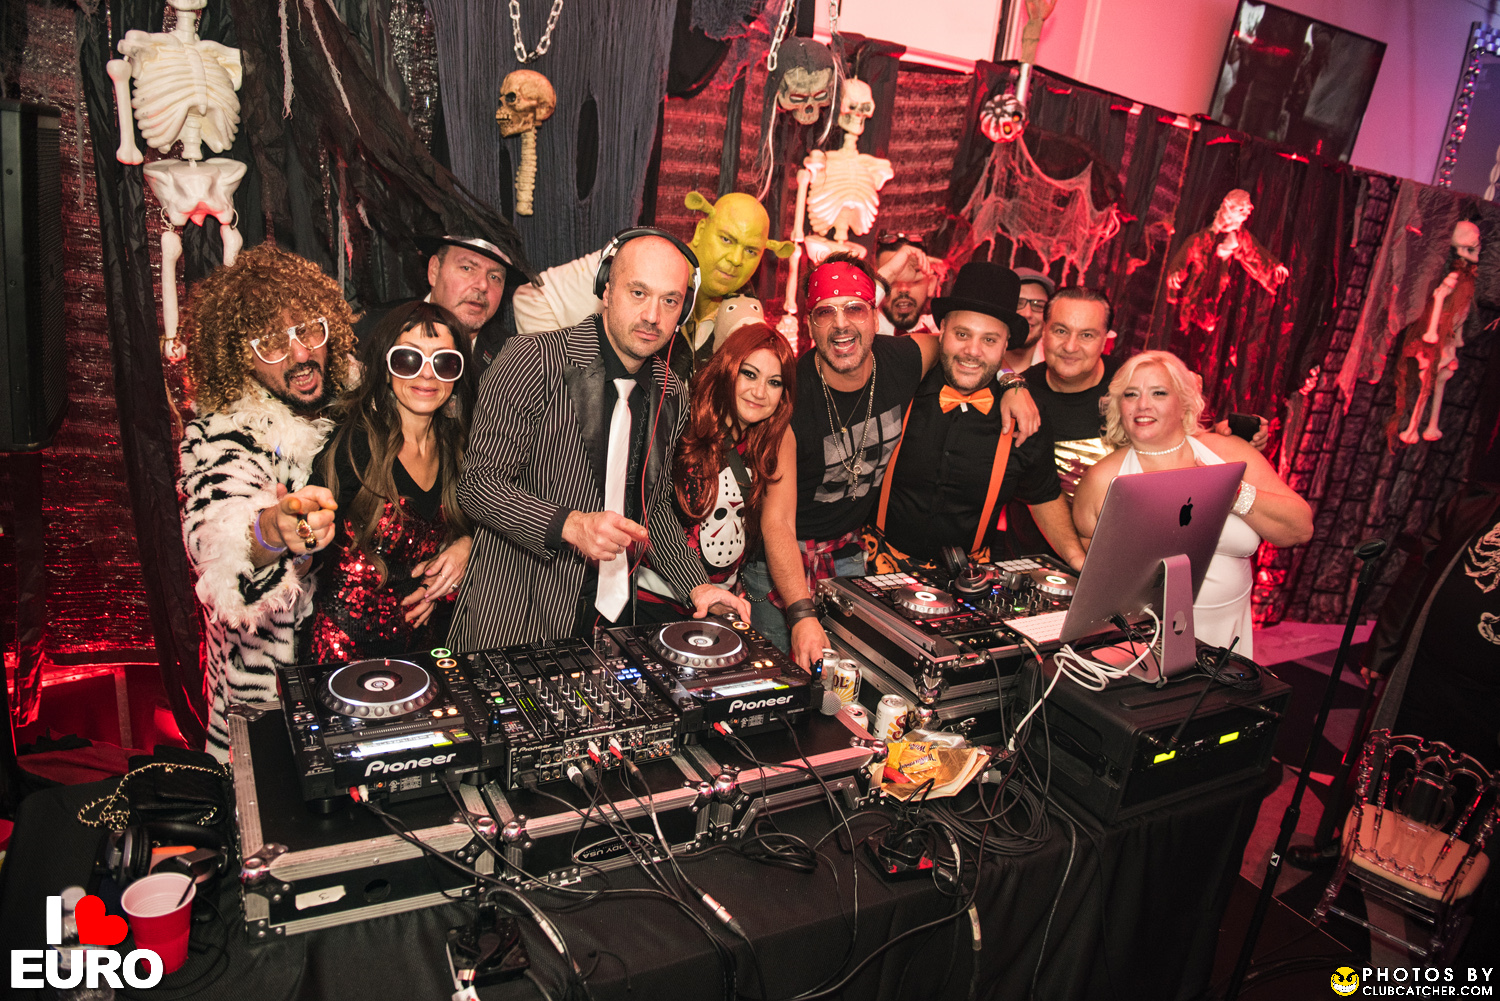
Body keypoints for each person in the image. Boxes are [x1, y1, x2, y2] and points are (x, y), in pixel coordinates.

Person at [449, 230, 750, 651]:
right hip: (519, 618)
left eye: (670, 301)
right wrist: (571, 525)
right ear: (606, 289)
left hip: (613, 627)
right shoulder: (532, 359)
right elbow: (478, 486)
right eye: (638, 292)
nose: (653, 316)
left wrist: (696, 586)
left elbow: (653, 509)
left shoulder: (670, 391)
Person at [740, 253, 1040, 651]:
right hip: (779, 562)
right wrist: (800, 614)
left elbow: (967, 349)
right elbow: (777, 522)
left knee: (856, 669)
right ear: (810, 324)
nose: (842, 324)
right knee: (780, 673)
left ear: (874, 317)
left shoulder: (903, 359)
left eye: (855, 309)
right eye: (826, 311)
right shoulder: (791, 395)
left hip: (848, 552)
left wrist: (1012, 381)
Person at [177, 244, 354, 758]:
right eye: (273, 343)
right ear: (239, 357)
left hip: (362, 669)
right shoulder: (224, 435)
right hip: (273, 697)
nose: (299, 354)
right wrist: (271, 530)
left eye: (309, 331)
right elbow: (215, 537)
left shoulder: (357, 404)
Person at [1072, 350, 1312, 659]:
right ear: (1119, 406)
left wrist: (1230, 493)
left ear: (1184, 402)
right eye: (1131, 394)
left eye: (1158, 393)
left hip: (1230, 633)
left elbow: (1300, 529)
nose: (1143, 404)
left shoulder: (1228, 453)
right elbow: (1090, 573)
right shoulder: (1102, 479)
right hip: (1144, 642)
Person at [637, 322, 832, 664]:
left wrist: (803, 614)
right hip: (651, 603)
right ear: (728, 369)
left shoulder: (776, 438)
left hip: (720, 607)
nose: (760, 392)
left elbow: (779, 525)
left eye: (774, 382)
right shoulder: (682, 418)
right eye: (749, 374)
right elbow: (651, 511)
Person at [875, 262, 1086, 570]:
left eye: (989, 339)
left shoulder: (1025, 414)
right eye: (962, 334)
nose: (972, 351)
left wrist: (1077, 559)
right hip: (874, 562)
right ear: (942, 331)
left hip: (968, 578)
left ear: (1005, 345)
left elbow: (1043, 495)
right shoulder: (905, 382)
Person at [305, 301, 476, 662]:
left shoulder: (460, 447)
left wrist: (467, 546)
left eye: (444, 362)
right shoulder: (353, 447)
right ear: (385, 370)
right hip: (343, 662)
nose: (427, 374)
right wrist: (283, 535)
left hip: (422, 655)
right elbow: (303, 548)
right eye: (408, 360)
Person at [511, 193, 791, 376]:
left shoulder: (741, 314)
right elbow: (530, 298)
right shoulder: (638, 260)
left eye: (751, 251)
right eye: (727, 240)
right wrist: (570, 382)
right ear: (701, 230)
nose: (736, 259)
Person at [356, 235, 528, 372]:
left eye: (494, 277)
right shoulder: (368, 330)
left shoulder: (513, 358)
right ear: (434, 270)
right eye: (467, 268)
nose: (483, 285)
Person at [875, 233, 937, 335]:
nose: (903, 289)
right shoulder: (858, 330)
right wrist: (888, 272)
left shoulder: (944, 330)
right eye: (892, 280)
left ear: (931, 285)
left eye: (914, 280)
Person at [1003, 267, 1054, 373]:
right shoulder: (976, 358)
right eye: (1018, 303)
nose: (1027, 314)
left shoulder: (1055, 370)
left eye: (1038, 305)